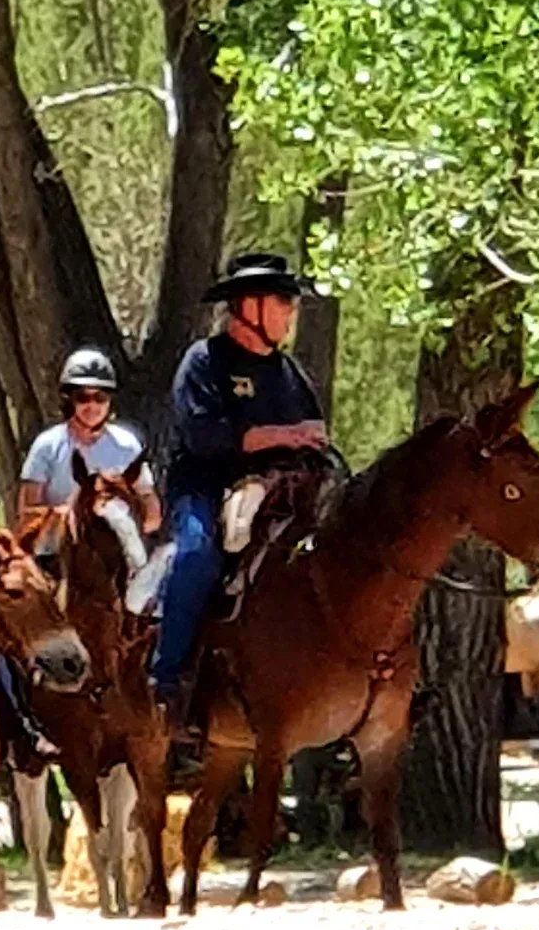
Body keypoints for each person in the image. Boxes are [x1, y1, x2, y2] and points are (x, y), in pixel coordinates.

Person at [150, 251, 330, 718]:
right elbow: (203, 435)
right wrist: (284, 435)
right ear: (249, 306)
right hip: (206, 489)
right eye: (283, 299)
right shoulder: (204, 362)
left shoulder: (290, 373)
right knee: (196, 554)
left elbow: (316, 432)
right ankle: (166, 680)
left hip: (283, 493)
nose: (292, 310)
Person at [18, 347, 161, 557]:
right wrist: (67, 516)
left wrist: (127, 519)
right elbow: (27, 512)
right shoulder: (46, 446)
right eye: (83, 397)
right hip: (56, 553)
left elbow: (150, 507)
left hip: (119, 555)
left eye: (100, 397)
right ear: (69, 401)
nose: (92, 406)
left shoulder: (128, 445)